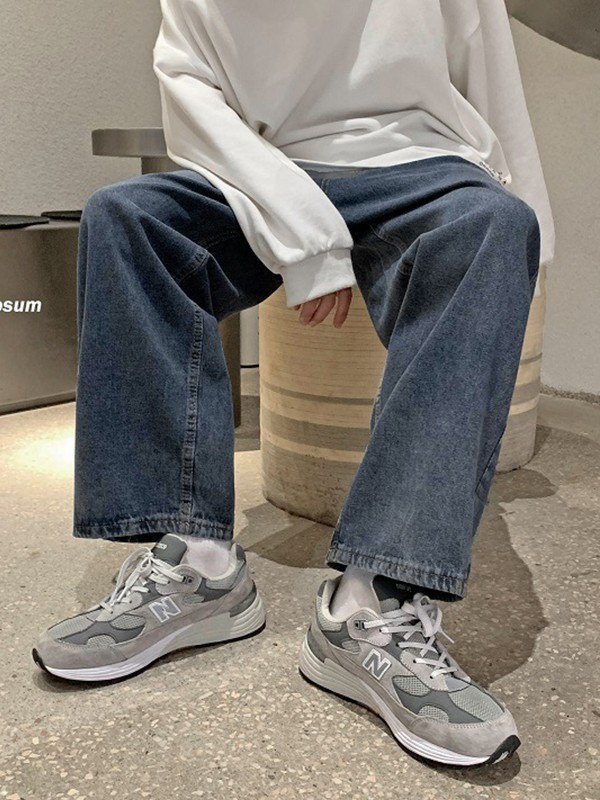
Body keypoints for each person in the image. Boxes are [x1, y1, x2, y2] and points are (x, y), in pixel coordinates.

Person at [33, 0, 555, 767]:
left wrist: (531, 224)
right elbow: (191, 96)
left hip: (422, 163)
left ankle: (372, 603)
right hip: (261, 169)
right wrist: (308, 236)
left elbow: (491, 71)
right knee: (127, 218)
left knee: (496, 226)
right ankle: (199, 568)